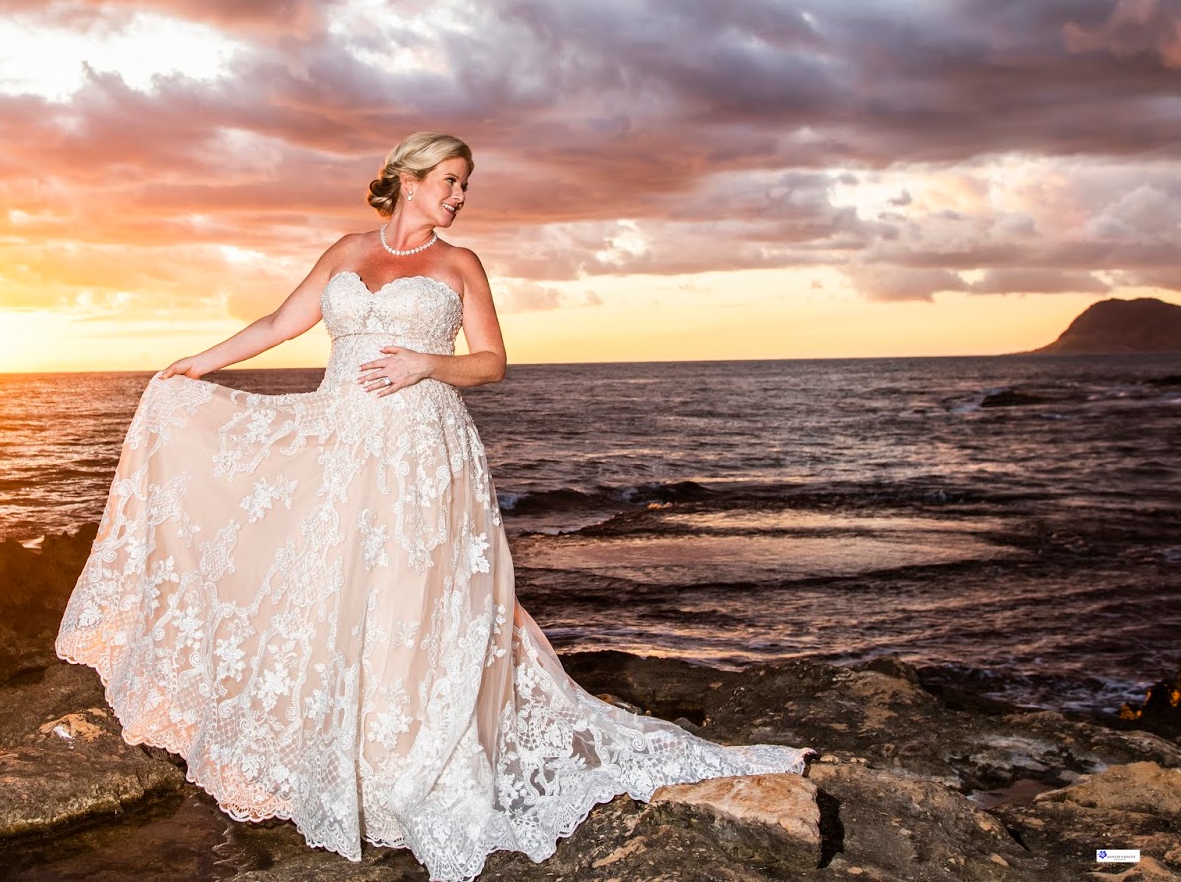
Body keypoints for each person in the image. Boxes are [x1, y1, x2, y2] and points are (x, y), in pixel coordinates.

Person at [55, 131, 813, 881]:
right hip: (339, 443)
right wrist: (199, 363)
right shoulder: (347, 251)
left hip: (424, 454)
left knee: (419, 601)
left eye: (463, 184)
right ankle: (343, 760)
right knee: (338, 593)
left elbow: (491, 362)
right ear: (408, 180)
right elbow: (281, 324)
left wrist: (428, 363)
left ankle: (416, 758)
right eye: (449, 180)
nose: (458, 195)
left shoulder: (458, 264)